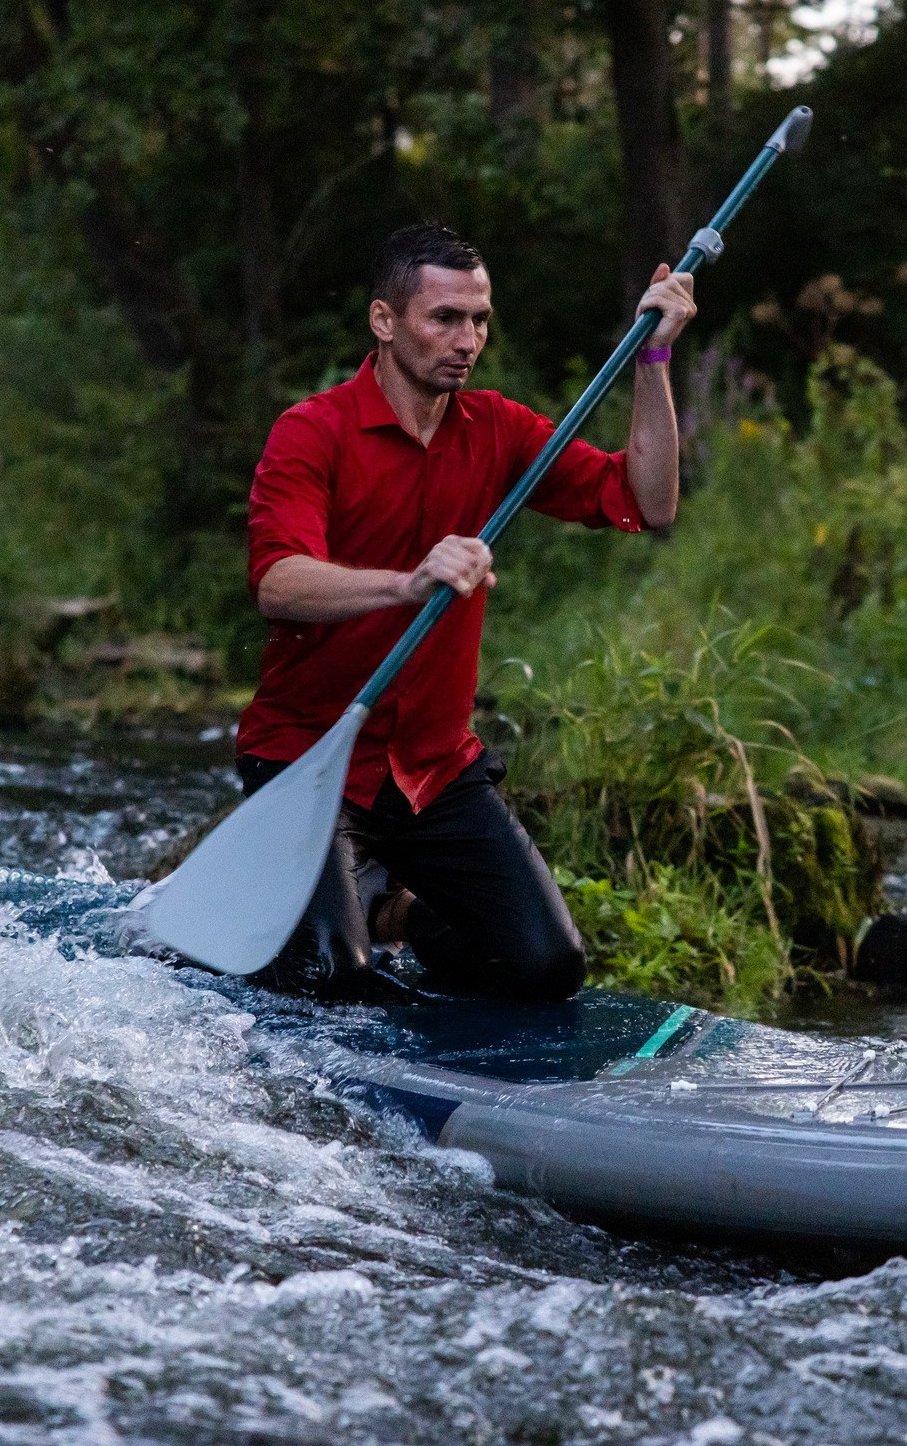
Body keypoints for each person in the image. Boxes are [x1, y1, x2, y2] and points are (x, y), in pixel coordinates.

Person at [237, 223, 697, 1002]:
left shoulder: (501, 430)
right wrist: (404, 584)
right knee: (333, 978)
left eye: (479, 319)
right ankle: (283, 912)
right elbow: (278, 582)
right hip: (306, 764)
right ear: (385, 321)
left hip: (433, 770)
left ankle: (393, 911)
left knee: (547, 967)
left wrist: (653, 358)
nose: (468, 339)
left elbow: (647, 502)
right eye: (444, 318)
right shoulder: (311, 432)